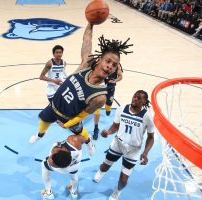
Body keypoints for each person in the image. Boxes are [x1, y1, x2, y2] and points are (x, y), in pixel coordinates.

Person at [29, 22, 133, 155]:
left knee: (81, 131)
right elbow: (86, 41)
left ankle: (89, 142)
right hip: (53, 105)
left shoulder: (100, 97)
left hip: (68, 117)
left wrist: (67, 124)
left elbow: (83, 114)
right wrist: (91, 23)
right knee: (43, 120)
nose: (110, 66)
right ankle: (40, 134)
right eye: (108, 61)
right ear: (100, 59)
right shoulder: (86, 64)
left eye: (114, 65)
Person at [93, 90, 155, 200]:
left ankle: (117, 191)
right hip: (118, 143)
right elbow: (115, 126)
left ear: (144, 101)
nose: (135, 99)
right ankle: (100, 173)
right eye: (135, 96)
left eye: (139, 98)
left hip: (133, 150)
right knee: (105, 166)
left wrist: (145, 153)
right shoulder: (121, 109)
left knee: (123, 180)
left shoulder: (147, 116)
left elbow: (151, 138)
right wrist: (108, 132)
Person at [40, 134, 85, 200]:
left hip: (61, 168)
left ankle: (49, 194)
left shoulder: (53, 154)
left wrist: (55, 145)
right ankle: (74, 193)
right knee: (74, 176)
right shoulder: (76, 146)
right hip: (74, 166)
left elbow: (51, 158)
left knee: (44, 165)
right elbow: (85, 139)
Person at [93, 64, 123, 140]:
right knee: (97, 109)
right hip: (100, 88)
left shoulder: (117, 65)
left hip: (110, 88)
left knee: (108, 105)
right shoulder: (101, 62)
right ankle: (96, 128)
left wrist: (115, 80)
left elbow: (120, 76)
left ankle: (108, 109)